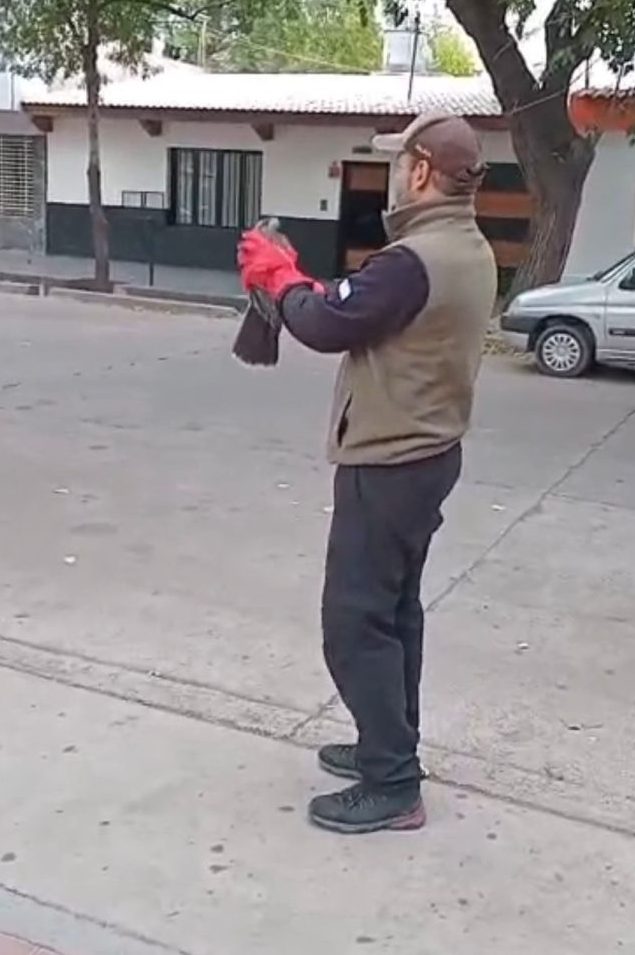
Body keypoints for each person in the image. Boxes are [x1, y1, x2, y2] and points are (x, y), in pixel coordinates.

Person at [237, 112, 497, 834]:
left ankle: (392, 785)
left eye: (398, 162)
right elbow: (356, 309)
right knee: (394, 613)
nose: (392, 173)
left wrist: (278, 277)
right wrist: (299, 283)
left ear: (421, 169)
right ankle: (388, 746)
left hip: (389, 461)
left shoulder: (413, 259)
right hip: (428, 455)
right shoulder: (464, 246)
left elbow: (326, 326)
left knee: (354, 622)